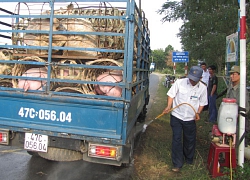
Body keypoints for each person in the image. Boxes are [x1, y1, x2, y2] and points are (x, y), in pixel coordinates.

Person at [163, 66, 208, 172]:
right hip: (177, 116)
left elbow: (202, 103)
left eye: (195, 79)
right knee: (177, 139)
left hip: (190, 118)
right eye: (191, 78)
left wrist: (198, 113)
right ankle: (177, 164)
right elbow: (171, 95)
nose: (192, 81)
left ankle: (189, 159)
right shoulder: (180, 82)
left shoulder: (203, 88)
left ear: (200, 78)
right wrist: (169, 106)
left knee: (190, 139)